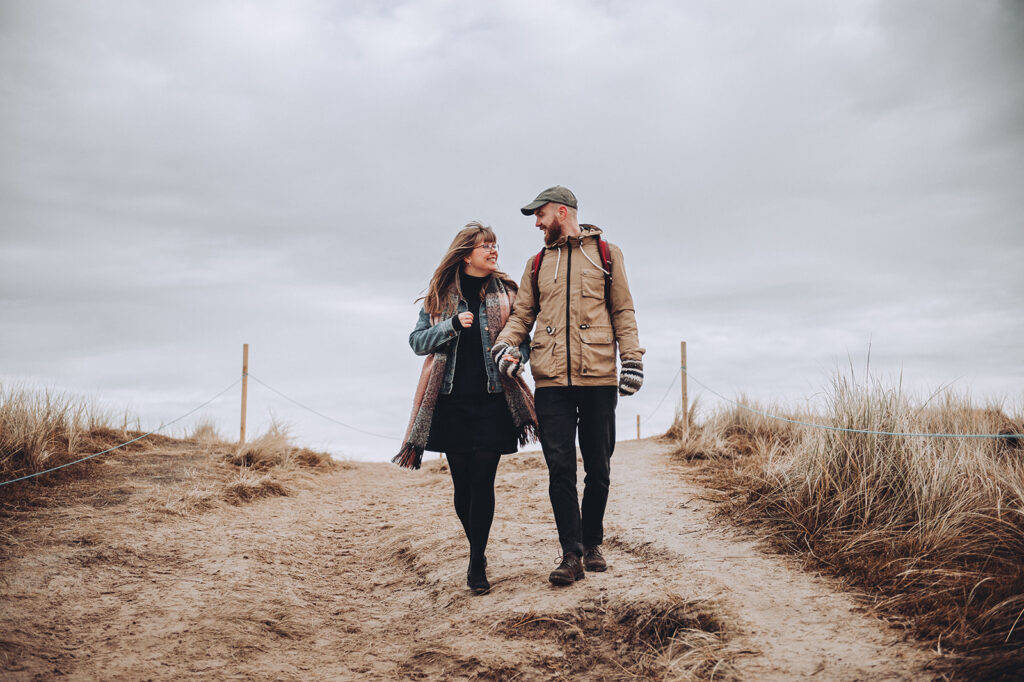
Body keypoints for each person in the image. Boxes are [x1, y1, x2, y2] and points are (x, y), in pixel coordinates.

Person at [490, 186, 644, 586]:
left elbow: (623, 309)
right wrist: (506, 345)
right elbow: (523, 314)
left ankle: (593, 543)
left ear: (562, 211)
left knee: (599, 466)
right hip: (551, 379)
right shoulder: (537, 262)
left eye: (540, 216)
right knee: (559, 468)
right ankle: (571, 553)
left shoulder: (608, 255)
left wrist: (632, 360)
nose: (537, 224)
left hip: (599, 377)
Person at [394, 222, 537, 595]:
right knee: (462, 486)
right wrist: (452, 325)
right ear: (466, 254)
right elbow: (417, 342)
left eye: (495, 245)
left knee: (483, 480)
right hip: (450, 401)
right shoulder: (440, 296)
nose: (493, 251)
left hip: (493, 400)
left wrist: (514, 355)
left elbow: (524, 341)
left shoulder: (508, 292)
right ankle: (478, 552)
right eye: (485, 246)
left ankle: (477, 560)